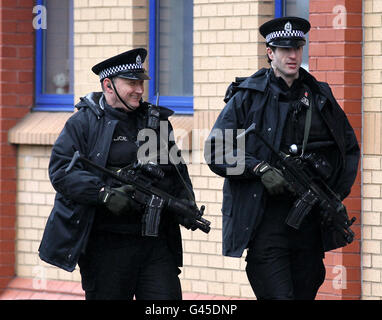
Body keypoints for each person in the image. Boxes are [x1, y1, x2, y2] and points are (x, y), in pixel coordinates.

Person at [204, 17, 360, 300]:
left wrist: (333, 194)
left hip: (309, 226)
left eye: (298, 48)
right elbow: (216, 151)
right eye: (284, 49)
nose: (292, 56)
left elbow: (348, 149)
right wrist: (258, 168)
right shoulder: (248, 97)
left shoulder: (319, 95)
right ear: (270, 53)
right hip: (266, 225)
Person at [39, 48, 196, 300]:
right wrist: (103, 194)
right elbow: (61, 172)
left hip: (154, 244)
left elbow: (176, 171)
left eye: (141, 83)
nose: (139, 90)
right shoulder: (83, 123)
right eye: (131, 83)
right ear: (108, 85)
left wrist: (186, 204)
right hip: (106, 247)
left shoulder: (155, 122)